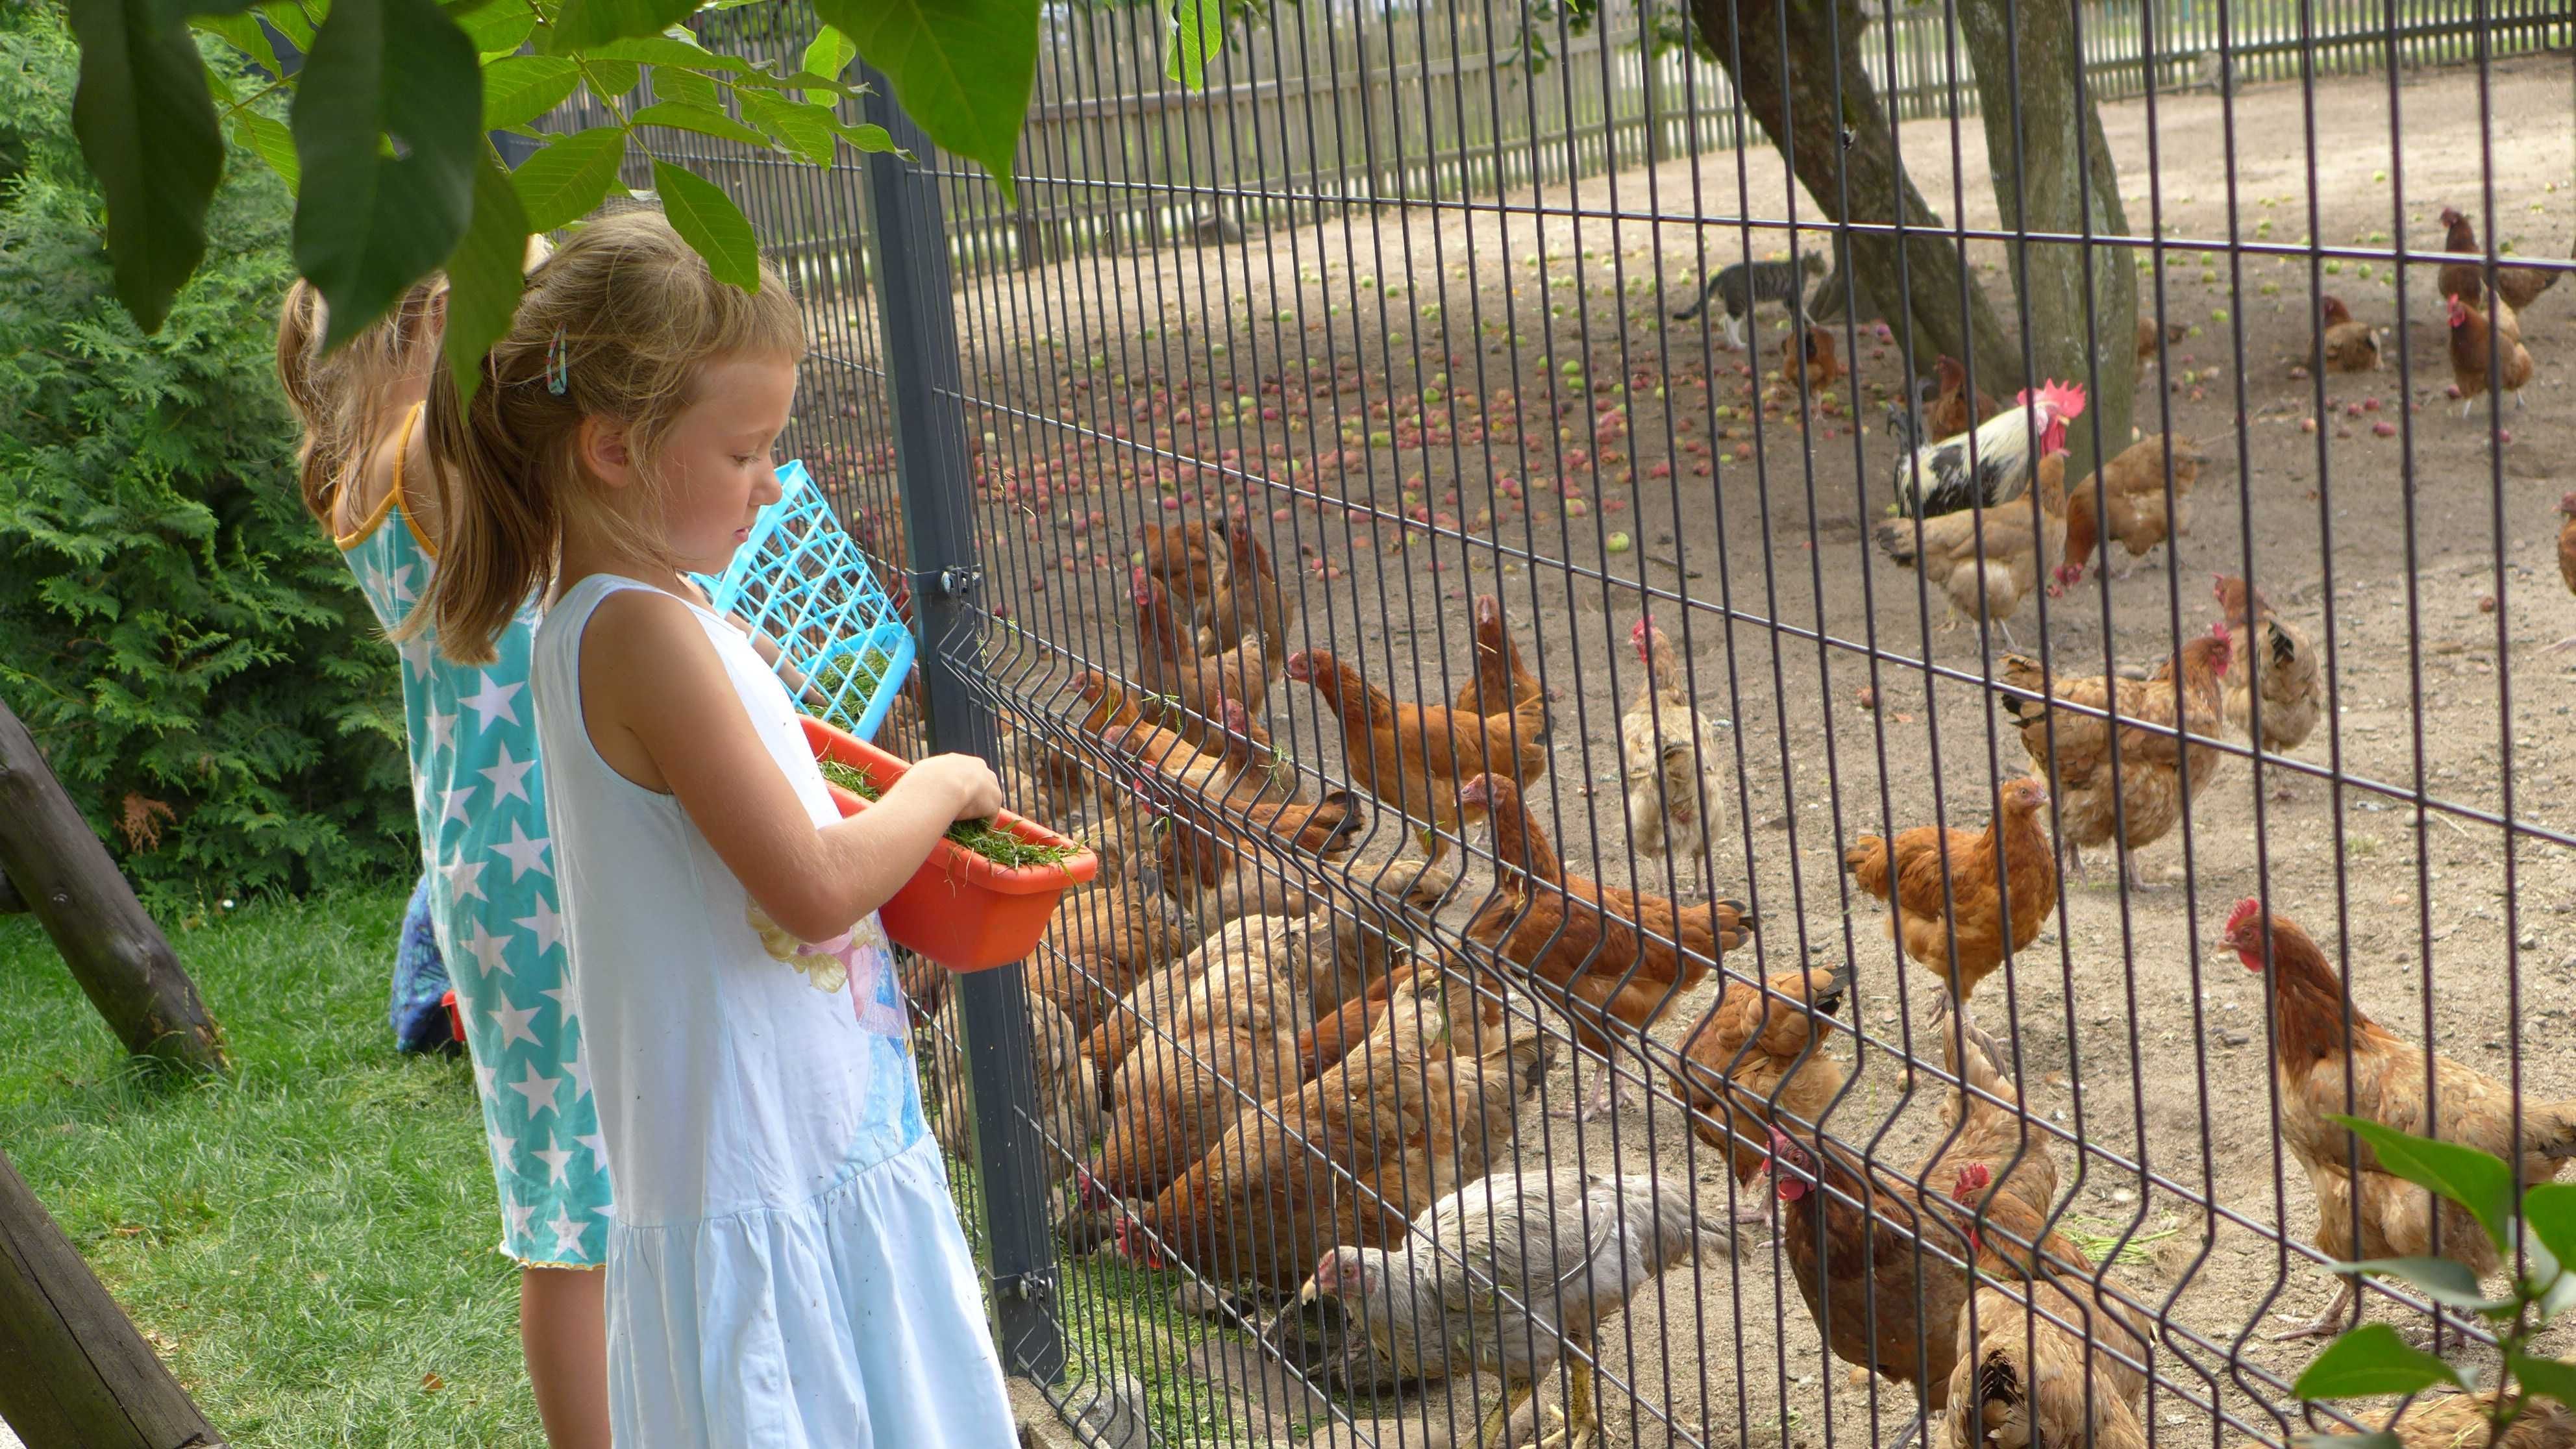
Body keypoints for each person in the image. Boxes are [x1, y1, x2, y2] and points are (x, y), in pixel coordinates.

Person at [411, 207, 1018, 1448]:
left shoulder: (641, 605)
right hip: (758, 1175)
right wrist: (943, 785)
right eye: (745, 452)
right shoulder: (636, 629)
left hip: (806, 1147)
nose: (771, 483)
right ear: (616, 449)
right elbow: (811, 886)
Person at [277, 269, 612, 1444]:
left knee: (564, 1189)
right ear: (429, 322)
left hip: (494, 858)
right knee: (573, 1209)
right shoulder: (421, 451)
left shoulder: (367, 461)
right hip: (543, 866)